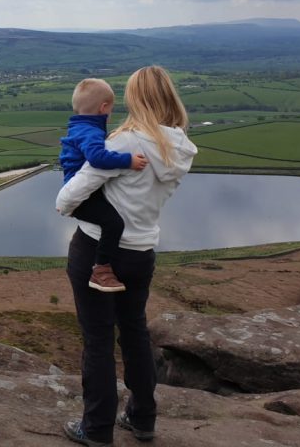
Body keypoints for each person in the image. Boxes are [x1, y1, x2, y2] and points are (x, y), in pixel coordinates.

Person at [55, 66, 197, 446]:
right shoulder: (180, 148)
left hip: (97, 250)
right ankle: (143, 417)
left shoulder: (123, 143)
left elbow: (66, 198)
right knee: (134, 331)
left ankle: (97, 429)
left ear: (136, 100)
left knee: (98, 339)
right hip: (141, 253)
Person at [59, 78, 148, 292]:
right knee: (114, 223)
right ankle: (101, 270)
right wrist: (128, 161)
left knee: (111, 218)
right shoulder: (90, 132)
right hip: (82, 197)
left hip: (84, 194)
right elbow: (97, 158)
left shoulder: (81, 127)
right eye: (111, 110)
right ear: (104, 108)